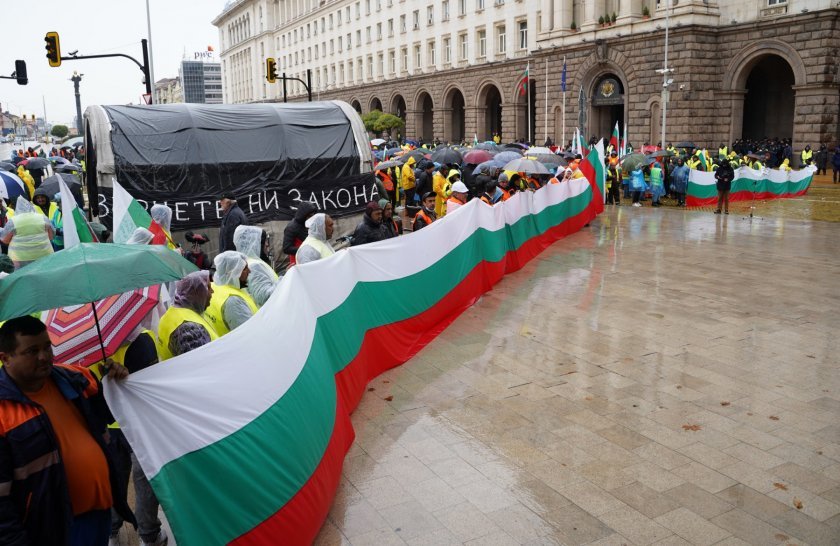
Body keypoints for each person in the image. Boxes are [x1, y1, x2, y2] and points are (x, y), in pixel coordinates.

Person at [0, 316, 134, 546]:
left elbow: (109, 415)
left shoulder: (75, 378)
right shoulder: (3, 413)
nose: (44, 356)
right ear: (5, 358)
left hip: (99, 513)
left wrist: (114, 382)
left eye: (46, 346)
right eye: (32, 351)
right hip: (49, 532)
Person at [157, 270, 219, 360]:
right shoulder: (187, 327)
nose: (212, 291)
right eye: (208, 287)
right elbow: (203, 363)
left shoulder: (173, 312)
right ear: (198, 293)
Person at [205, 251, 259, 335]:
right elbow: (250, 335)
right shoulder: (233, 301)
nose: (249, 271)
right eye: (245, 268)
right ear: (232, 273)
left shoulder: (214, 287)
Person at [0, 197, 55, 269]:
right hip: (44, 254)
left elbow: (5, 240)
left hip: (20, 258)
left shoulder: (13, 221)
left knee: (22, 278)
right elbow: (51, 236)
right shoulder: (43, 218)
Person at [233, 225, 279, 307]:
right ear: (254, 243)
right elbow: (264, 297)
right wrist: (285, 280)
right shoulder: (254, 266)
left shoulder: (248, 263)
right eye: (264, 241)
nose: (267, 244)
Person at [282, 202, 317, 267]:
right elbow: (286, 248)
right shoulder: (291, 227)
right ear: (303, 215)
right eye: (309, 216)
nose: (311, 218)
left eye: (313, 216)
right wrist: (305, 250)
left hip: (310, 260)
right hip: (297, 263)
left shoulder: (309, 225)